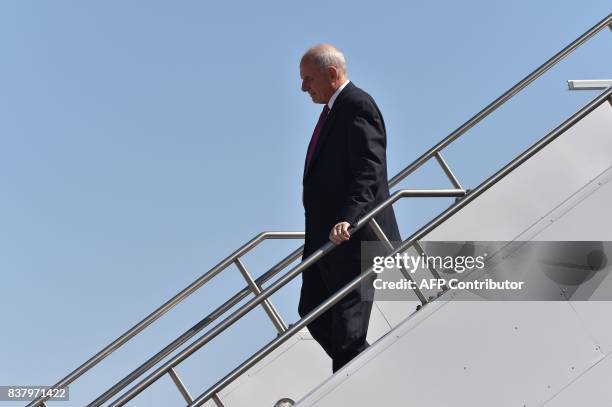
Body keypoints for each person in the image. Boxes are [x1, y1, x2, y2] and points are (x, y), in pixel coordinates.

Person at [298, 44, 401, 373]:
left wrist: (349, 218)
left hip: (351, 238)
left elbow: (368, 168)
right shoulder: (333, 111)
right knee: (311, 309)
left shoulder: (357, 105)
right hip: (324, 240)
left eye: (308, 79)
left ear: (331, 74)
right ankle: (364, 368)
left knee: (347, 330)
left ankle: (359, 382)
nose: (303, 87)